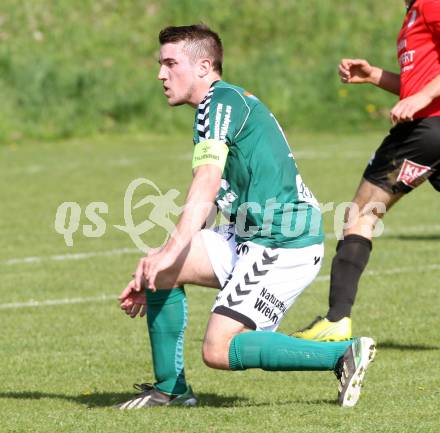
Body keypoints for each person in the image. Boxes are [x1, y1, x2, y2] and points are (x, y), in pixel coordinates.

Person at [117, 24, 376, 409]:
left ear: (204, 67)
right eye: (161, 64)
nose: (161, 74)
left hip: (283, 242)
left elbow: (205, 182)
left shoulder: (219, 103)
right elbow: (213, 189)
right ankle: (170, 390)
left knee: (218, 350)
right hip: (249, 233)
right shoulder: (219, 104)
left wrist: (171, 249)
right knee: (161, 270)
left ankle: (341, 356)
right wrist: (163, 260)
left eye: (171, 64)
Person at [294, 0, 440, 341]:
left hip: (425, 129)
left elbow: (423, 94)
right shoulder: (415, 11)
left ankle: (336, 319)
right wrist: (374, 75)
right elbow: (420, 80)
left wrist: (420, 101)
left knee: (360, 214)